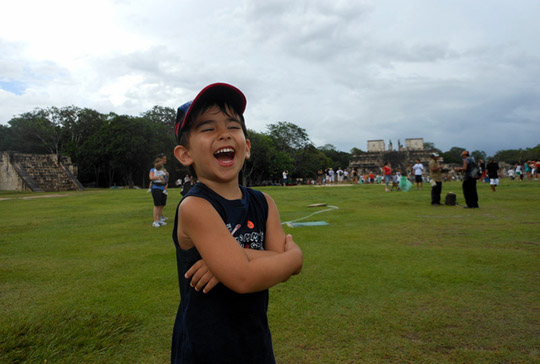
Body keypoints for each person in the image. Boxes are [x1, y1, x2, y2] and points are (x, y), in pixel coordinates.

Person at [170, 83, 303, 363]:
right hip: (206, 348)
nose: (223, 134)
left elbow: (276, 264)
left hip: (254, 340)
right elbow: (244, 277)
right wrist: (294, 255)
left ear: (247, 146)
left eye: (232, 126)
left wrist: (230, 260)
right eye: (207, 129)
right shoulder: (196, 206)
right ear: (185, 154)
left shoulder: (264, 202)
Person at [149, 158, 168, 227]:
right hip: (156, 188)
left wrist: (165, 178)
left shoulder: (162, 170)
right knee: (157, 205)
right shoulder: (153, 170)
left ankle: (159, 219)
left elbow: (166, 177)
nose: (161, 163)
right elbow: (151, 177)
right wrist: (160, 178)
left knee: (162, 204)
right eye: (160, 162)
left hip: (163, 188)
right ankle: (155, 221)